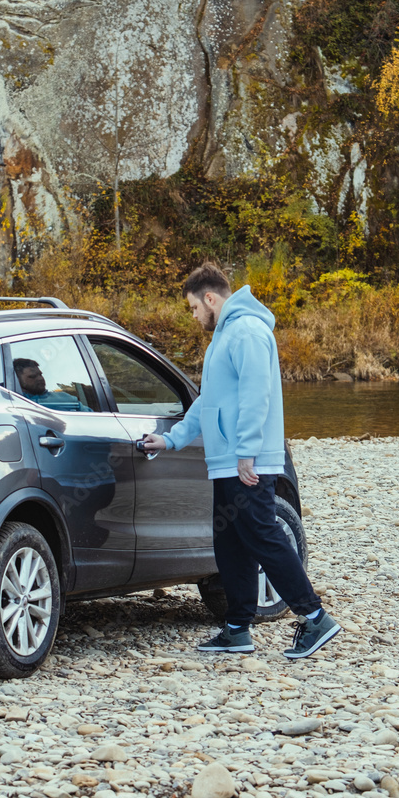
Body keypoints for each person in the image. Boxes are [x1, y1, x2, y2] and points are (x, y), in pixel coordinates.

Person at [143, 263, 340, 659]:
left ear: (210, 298)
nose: (194, 316)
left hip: (246, 461)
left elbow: (256, 396)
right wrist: (170, 440)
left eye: (194, 308)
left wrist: (247, 452)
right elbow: (208, 402)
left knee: (262, 536)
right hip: (227, 461)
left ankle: (315, 617)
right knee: (230, 545)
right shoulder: (224, 337)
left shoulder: (247, 332)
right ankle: (237, 629)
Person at [13, 358, 91, 412]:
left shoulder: (66, 399)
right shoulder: (13, 401)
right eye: (33, 376)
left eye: (40, 374)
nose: (40, 379)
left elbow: (91, 418)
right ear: (17, 379)